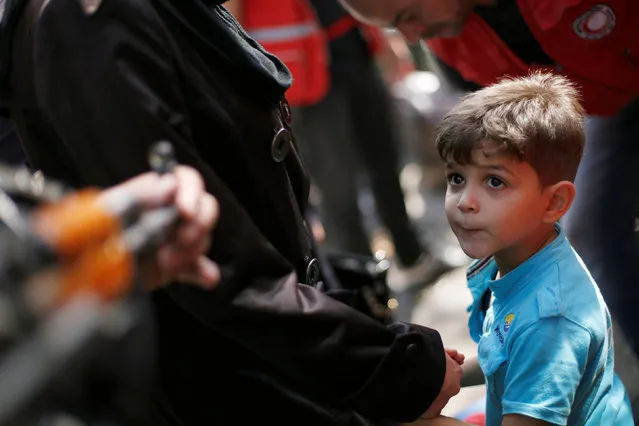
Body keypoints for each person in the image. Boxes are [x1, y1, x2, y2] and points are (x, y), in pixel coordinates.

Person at [0, 0, 462, 424]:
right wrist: (391, 367)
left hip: (272, 354)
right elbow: (216, 271)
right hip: (237, 378)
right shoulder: (87, 20)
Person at [337, 0, 639, 362]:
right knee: (589, 227)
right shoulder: (446, 39)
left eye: (408, 16)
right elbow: (517, 143)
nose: (411, 35)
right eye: (395, 28)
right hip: (605, 111)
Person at [421, 72, 634, 425]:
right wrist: (453, 373)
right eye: (456, 178)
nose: (465, 202)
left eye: (494, 181)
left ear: (555, 202)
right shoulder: (519, 258)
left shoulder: (551, 320)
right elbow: (507, 355)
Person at [228, 0, 453, 298]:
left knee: (386, 164)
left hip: (355, 50)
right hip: (303, 72)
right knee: (339, 194)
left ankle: (412, 257)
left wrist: (384, 39)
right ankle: (365, 293)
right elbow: (231, 13)